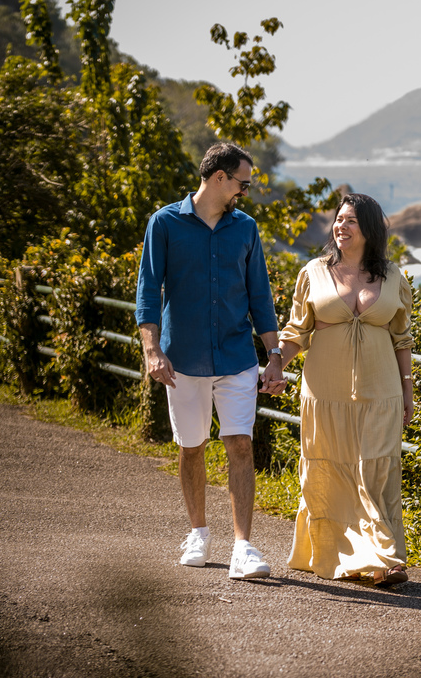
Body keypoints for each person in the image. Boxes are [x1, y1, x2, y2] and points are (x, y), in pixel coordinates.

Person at [135, 142, 286, 580]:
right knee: (192, 446)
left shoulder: (246, 228)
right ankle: (198, 532)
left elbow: (260, 296)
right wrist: (152, 350)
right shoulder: (164, 223)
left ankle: (243, 547)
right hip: (182, 359)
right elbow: (148, 291)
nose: (245, 191)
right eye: (243, 183)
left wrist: (274, 355)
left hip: (237, 357)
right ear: (219, 177)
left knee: (240, 443)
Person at [271, 193, 413, 586]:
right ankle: (341, 553)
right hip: (324, 395)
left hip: (381, 392)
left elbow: (402, 339)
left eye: (351, 220)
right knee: (328, 470)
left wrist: (408, 392)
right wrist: (275, 366)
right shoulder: (314, 272)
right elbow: (297, 332)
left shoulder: (393, 276)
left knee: (376, 472)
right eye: (339, 219)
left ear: (369, 228)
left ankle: (386, 559)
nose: (341, 226)